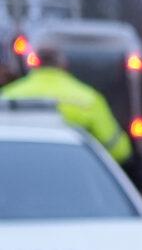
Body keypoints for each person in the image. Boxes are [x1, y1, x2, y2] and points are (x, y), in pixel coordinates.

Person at [1, 44, 135, 175]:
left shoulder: (8, 96)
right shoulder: (89, 99)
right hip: (74, 178)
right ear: (64, 65)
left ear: (34, 64)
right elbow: (120, 150)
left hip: (18, 176)